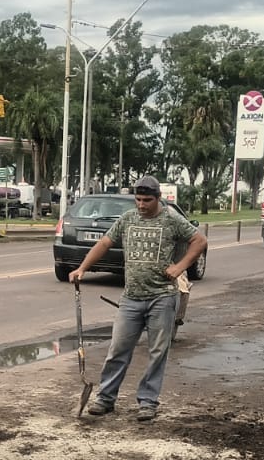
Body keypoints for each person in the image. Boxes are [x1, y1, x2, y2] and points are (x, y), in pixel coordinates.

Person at [70, 176, 207, 422]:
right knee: (118, 349)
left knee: (157, 352)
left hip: (162, 297)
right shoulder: (128, 219)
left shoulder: (172, 220)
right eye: (138, 200)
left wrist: (180, 267)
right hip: (131, 298)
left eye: (147, 200)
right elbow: (104, 242)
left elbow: (200, 241)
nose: (142, 205)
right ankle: (105, 398)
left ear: (158, 198)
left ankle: (148, 401)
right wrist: (83, 268)